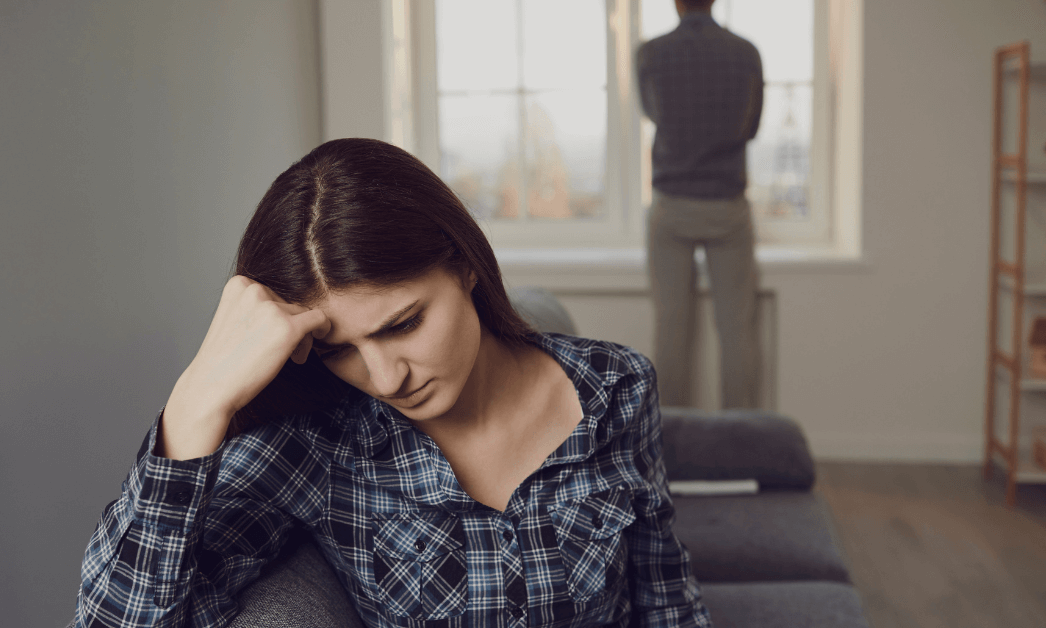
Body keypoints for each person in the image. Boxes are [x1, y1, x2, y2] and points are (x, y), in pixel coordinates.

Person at [73, 138, 711, 627]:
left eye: (403, 324)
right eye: (337, 350)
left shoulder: (616, 387)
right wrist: (194, 406)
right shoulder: (318, 445)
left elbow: (665, 596)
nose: (384, 378)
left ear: (463, 265)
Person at [637, 0, 764, 409]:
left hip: (672, 205)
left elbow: (653, 112)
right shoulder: (746, 52)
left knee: (670, 328)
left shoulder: (651, 53)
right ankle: (742, 435)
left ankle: (673, 439)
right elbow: (752, 126)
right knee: (737, 331)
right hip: (727, 205)